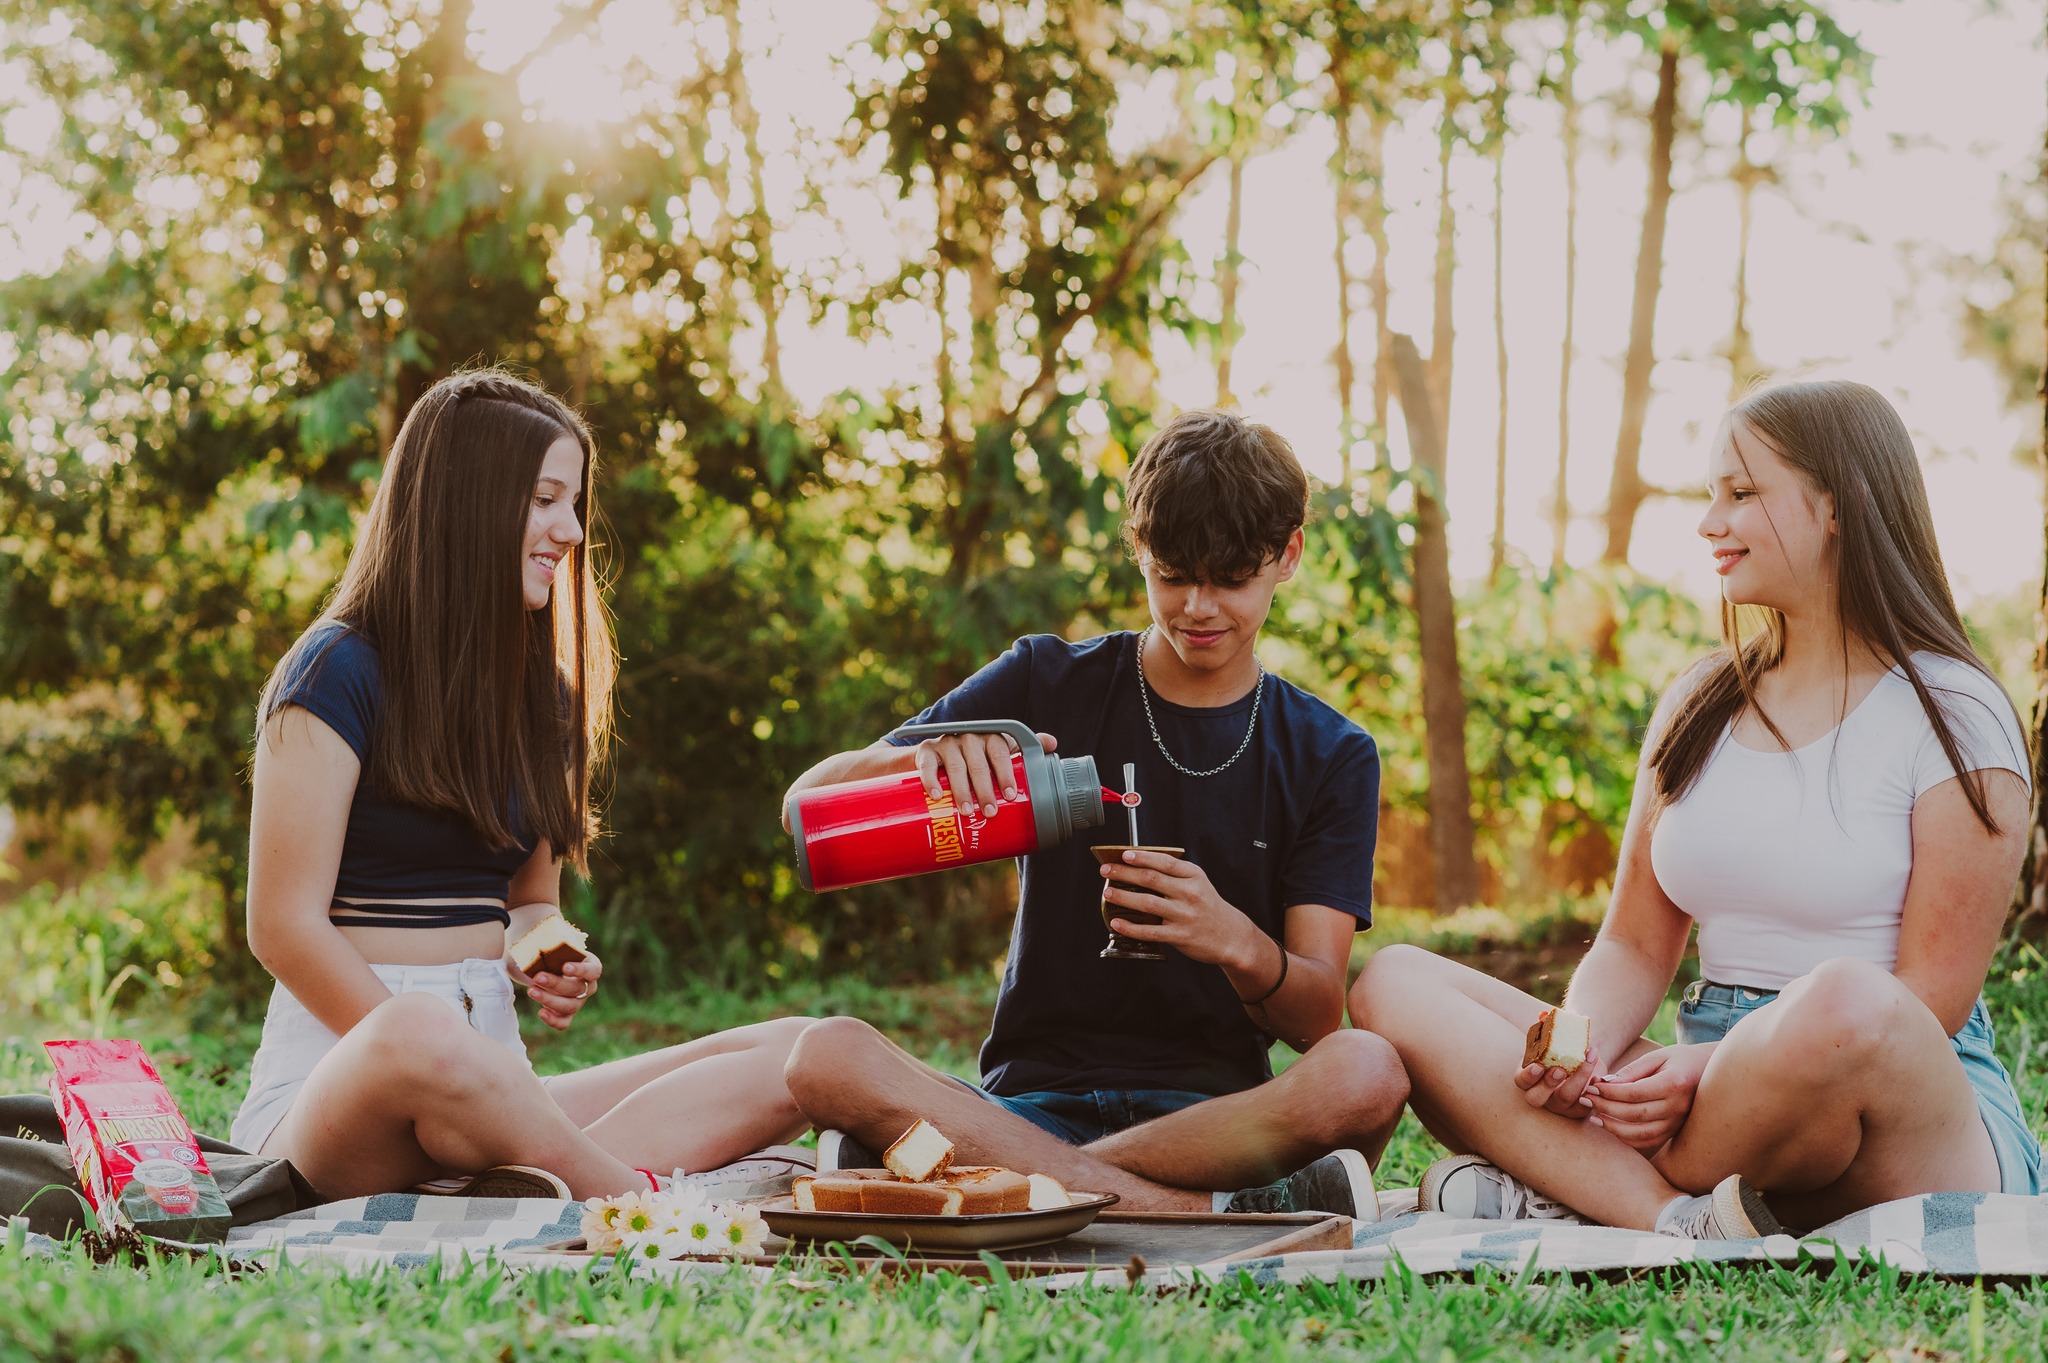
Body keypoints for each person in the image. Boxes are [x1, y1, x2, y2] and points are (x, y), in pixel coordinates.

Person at [1351, 380, 2040, 1237]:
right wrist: (1584, 1051)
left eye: (1742, 493)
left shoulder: (1954, 709)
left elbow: (1930, 996)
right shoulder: (1699, 701)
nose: (1710, 523)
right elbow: (1635, 942)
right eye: (1712, 494)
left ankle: (1572, 1181)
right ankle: (1680, 1216)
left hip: (1894, 1099)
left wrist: (1708, 1067)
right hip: (1695, 1087)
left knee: (1843, 1003)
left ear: (1841, 505)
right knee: (1397, 980)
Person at [779, 410, 1407, 1217]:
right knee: (825, 1056)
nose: (1199, 606)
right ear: (1138, 548)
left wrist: (1235, 941)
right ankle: (1192, 1208)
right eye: (1174, 574)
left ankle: (1014, 1180)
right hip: (1027, 1101)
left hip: (1212, 1116)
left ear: (1288, 554)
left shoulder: (1330, 752)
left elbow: (1320, 1015)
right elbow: (807, 802)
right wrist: (917, 759)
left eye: (1231, 579)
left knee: (1368, 1069)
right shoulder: (1047, 679)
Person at [233, 369, 812, 1201]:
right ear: (468, 503)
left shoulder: (544, 696)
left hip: (491, 1088)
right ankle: (648, 1207)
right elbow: (281, 925)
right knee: (420, 1036)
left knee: (787, 1052)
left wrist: (548, 949)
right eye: (545, 499)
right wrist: (449, 1066)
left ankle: (521, 1170)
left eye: (572, 502)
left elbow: (529, 900)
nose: (570, 529)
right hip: (338, 1085)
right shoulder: (336, 669)